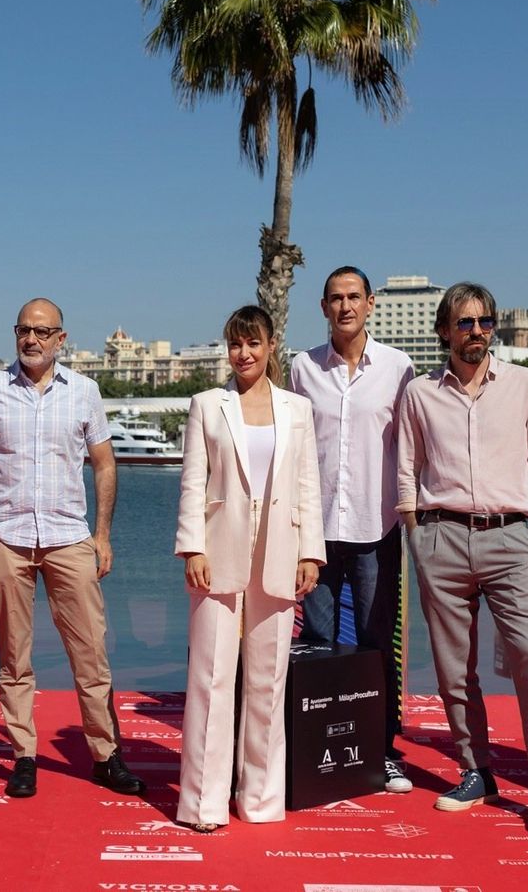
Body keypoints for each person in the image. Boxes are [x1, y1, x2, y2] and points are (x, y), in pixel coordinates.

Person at [0, 298, 144, 800]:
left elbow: (104, 463)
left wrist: (102, 535)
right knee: (13, 656)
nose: (31, 339)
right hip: (6, 539)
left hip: (68, 538)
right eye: (23, 330)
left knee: (91, 653)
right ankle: (23, 756)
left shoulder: (85, 392)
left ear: (61, 339)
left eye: (42, 331)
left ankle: (106, 756)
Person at [398, 282, 528, 835]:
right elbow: (407, 472)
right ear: (444, 331)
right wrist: (418, 538)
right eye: (465, 323)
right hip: (441, 538)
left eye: (485, 322)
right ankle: (476, 771)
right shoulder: (419, 394)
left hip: (511, 538)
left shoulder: (526, 385)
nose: (477, 332)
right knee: (454, 668)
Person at [174, 305, 323, 832]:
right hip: (217, 551)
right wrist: (192, 548)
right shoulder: (206, 405)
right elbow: (193, 482)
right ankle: (203, 803)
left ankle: (260, 799)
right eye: (235, 344)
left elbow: (308, 484)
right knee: (211, 678)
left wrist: (311, 552)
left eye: (253, 343)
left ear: (271, 345)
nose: (244, 353)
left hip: (281, 550)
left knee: (267, 681)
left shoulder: (297, 408)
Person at [289, 266, 414, 792]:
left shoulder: (399, 368)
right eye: (336, 298)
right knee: (317, 642)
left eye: (354, 297)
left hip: (375, 527)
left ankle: (381, 750)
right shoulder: (302, 368)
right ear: (323, 307)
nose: (345, 306)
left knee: (374, 643)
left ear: (370, 304)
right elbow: (294, 447)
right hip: (316, 533)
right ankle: (317, 750)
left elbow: (408, 446)